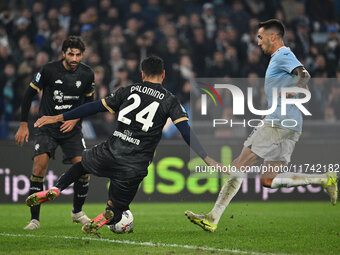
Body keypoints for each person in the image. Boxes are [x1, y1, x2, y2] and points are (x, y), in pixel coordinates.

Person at [25, 55, 219, 233]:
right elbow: (185, 131)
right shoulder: (170, 100)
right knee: (118, 209)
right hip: (135, 164)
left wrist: (59, 116)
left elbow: (94, 107)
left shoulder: (128, 90)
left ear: (142, 74)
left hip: (111, 150)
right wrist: (206, 157)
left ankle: (57, 188)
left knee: (81, 165)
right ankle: (104, 218)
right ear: (164, 74)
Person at [185, 19, 338, 232]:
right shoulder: (281, 57)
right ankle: (324, 179)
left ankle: (212, 217)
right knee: (267, 180)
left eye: (260, 37)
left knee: (239, 165)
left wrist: (296, 89)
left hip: (278, 122)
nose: (258, 42)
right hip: (292, 124)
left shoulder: (283, 54)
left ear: (273, 36)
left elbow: (304, 74)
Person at [15, 36, 95, 230]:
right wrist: (24, 124)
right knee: (39, 168)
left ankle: (77, 212)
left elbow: (90, 104)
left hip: (72, 129)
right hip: (47, 127)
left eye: (78, 54)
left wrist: (75, 119)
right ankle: (34, 220)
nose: (75, 58)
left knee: (84, 169)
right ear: (63, 54)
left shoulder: (87, 74)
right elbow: (28, 95)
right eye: (71, 54)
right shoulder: (49, 70)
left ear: (82, 55)